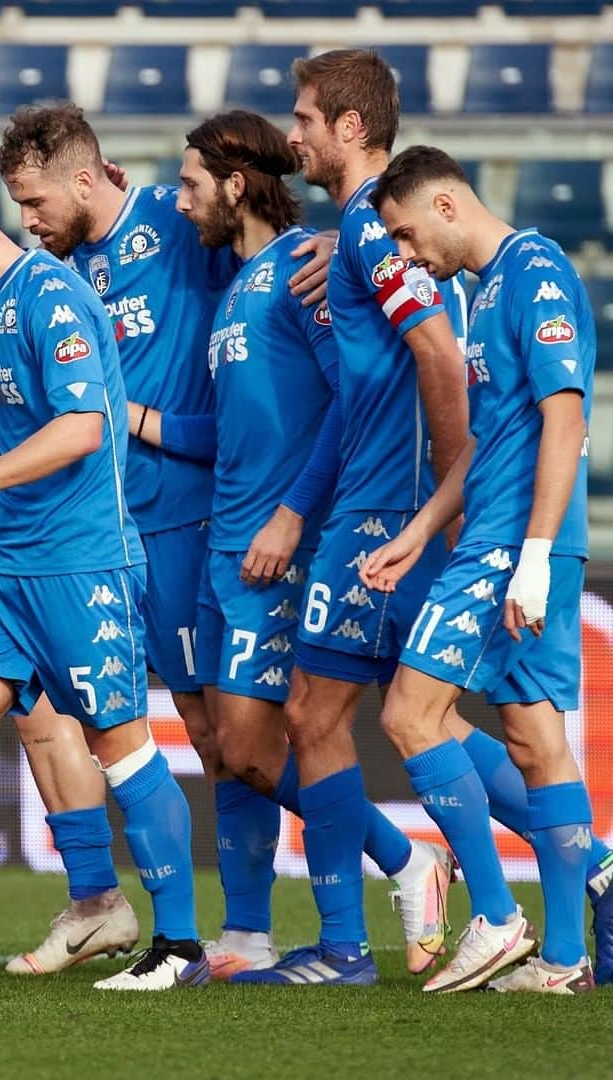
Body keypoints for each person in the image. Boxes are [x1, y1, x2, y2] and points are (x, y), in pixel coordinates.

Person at [0, 102, 329, 977]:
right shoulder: (47, 280)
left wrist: (342, 242)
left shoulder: (177, 220)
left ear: (86, 180)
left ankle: (281, 908)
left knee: (222, 736)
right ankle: (102, 904)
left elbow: (263, 223)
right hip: (88, 537)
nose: (27, 224)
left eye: (34, 203)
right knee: (81, 721)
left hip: (183, 519)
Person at [129, 109, 454, 981]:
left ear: (237, 187)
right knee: (234, 750)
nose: (181, 199)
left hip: (282, 545)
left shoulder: (304, 273)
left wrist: (292, 514)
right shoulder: (233, 287)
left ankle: (405, 860)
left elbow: (357, 395)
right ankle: (263, 933)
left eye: (193, 182)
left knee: (263, 744)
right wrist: (136, 419)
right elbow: (232, 432)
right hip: (222, 543)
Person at [0, 163, 208, 991]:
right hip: (6, 569)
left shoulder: (51, 296)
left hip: (83, 564)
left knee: (119, 748)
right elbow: (5, 419)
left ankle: (182, 947)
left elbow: (83, 428)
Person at [240, 50, 472, 987]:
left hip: (387, 510)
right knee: (401, 716)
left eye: (302, 117)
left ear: (349, 127)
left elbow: (442, 358)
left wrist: (452, 501)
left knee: (325, 711)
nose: (290, 133)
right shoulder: (364, 230)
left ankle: (345, 947)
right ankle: (591, 866)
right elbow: (373, 379)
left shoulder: (375, 231)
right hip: (369, 505)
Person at [361, 144, 610, 993]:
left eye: (402, 233)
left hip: (514, 543)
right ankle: (565, 961)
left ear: (446, 205)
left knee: (409, 715)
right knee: (538, 744)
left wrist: (533, 556)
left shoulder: (533, 268)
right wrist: (423, 528)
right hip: (496, 536)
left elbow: (567, 418)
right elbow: (486, 443)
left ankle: (499, 918)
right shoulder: (480, 293)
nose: (402, 255)